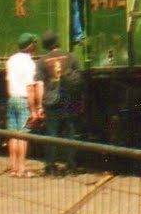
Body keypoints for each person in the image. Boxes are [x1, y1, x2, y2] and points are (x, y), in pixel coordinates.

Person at [38, 30, 83, 174]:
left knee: (52, 133)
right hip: (69, 98)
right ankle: (71, 165)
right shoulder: (71, 56)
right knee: (70, 132)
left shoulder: (42, 61)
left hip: (51, 99)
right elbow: (79, 77)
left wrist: (39, 104)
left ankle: (50, 166)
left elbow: (39, 83)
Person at [5, 33, 42, 178]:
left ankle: (13, 168)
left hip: (12, 98)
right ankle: (21, 169)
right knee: (23, 135)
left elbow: (8, 82)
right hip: (23, 100)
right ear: (31, 46)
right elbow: (30, 87)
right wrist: (34, 109)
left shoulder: (11, 60)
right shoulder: (29, 63)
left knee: (12, 135)